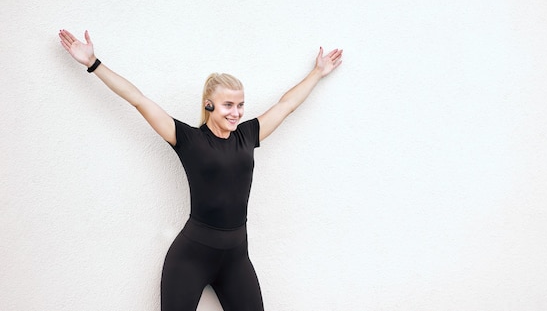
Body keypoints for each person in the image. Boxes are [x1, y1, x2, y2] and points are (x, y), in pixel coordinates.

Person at [58, 29, 343, 311]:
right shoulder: (189, 140)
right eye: (228, 105)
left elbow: (287, 104)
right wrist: (93, 63)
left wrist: (317, 73)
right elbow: (138, 99)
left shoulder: (247, 136)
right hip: (190, 259)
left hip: (236, 259)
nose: (236, 113)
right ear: (209, 105)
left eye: (240, 105)